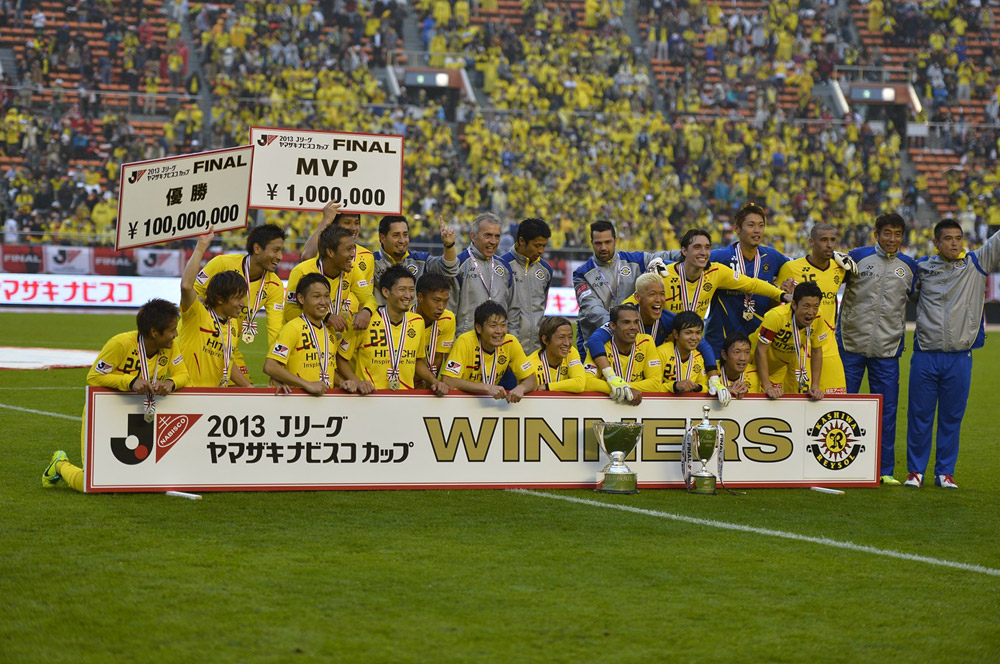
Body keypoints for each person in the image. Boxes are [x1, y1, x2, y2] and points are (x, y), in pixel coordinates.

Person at [43, 299, 190, 492]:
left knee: (134, 478)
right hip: (107, 413)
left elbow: (183, 374)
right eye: (172, 330)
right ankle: (60, 465)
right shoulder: (120, 344)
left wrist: (171, 383)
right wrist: (130, 381)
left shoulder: (170, 347)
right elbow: (94, 376)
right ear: (155, 332)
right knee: (93, 482)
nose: (176, 334)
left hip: (142, 415)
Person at [904, 220, 1000, 489]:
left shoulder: (976, 263)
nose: (955, 243)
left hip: (959, 356)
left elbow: (997, 241)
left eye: (958, 237)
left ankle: (945, 473)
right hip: (925, 354)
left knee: (951, 417)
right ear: (936, 243)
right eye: (948, 238)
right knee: (919, 416)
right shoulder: (921, 267)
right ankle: (915, 472)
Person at [837, 213, 918, 486]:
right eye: (887, 233)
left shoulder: (909, 266)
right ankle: (839, 465)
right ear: (876, 234)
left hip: (887, 350)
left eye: (897, 234)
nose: (892, 239)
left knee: (887, 412)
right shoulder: (857, 257)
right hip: (850, 345)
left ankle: (884, 469)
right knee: (842, 407)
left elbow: (921, 296)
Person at [336, 265, 448, 395]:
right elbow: (341, 357)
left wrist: (434, 381)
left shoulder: (417, 322)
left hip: (404, 397)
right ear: (386, 292)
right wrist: (357, 382)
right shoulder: (365, 320)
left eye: (411, 290)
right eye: (402, 290)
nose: (408, 295)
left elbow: (417, 360)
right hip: (370, 396)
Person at [573, 220, 677, 356]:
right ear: (592, 243)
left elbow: (664, 256)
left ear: (615, 241)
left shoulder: (635, 261)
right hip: (598, 342)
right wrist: (619, 325)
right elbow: (592, 310)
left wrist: (689, 253)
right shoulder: (582, 274)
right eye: (598, 243)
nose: (603, 247)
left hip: (629, 342)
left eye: (608, 242)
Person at [777, 223, 857, 394]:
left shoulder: (840, 268)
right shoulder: (791, 268)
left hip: (829, 345)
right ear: (811, 242)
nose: (829, 244)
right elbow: (775, 302)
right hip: (799, 348)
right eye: (823, 240)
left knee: (836, 400)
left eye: (832, 240)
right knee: (800, 402)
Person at [705, 203, 790, 360]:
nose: (757, 230)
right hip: (720, 343)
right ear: (737, 228)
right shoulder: (720, 257)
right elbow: (690, 262)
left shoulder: (771, 257)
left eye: (761, 226)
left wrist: (786, 283)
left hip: (757, 344)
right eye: (751, 225)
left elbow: (796, 268)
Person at [652, 228, 789, 319]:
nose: (703, 252)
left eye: (707, 247)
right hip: (664, 343)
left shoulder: (716, 272)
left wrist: (782, 295)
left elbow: (752, 284)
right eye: (697, 247)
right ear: (684, 250)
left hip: (694, 342)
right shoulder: (662, 275)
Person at [194, 222, 286, 346]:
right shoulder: (222, 263)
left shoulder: (275, 285)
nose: (280, 257)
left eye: (281, 251)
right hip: (199, 338)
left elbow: (275, 330)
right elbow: (193, 291)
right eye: (275, 250)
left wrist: (277, 355)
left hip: (228, 344)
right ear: (257, 248)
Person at [179, 231, 252, 387]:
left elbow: (228, 361)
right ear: (220, 298)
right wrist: (201, 246)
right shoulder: (197, 314)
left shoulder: (233, 324)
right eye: (238, 298)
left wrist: (248, 388)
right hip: (190, 394)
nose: (242, 304)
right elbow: (186, 286)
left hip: (216, 395)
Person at [284, 225, 376, 341]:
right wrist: (326, 317)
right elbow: (290, 312)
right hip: (304, 339)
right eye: (348, 249)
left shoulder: (352, 269)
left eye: (353, 249)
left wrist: (366, 311)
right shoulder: (302, 271)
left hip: (332, 339)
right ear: (330, 252)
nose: (353, 254)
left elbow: (370, 299)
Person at [264, 273, 350, 395]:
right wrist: (307, 384)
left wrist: (342, 382)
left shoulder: (329, 331)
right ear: (301, 298)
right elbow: (270, 366)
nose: (323, 302)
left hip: (324, 400)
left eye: (326, 296)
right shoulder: (293, 328)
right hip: (298, 400)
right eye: (316, 296)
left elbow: (327, 368)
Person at [440, 300, 536, 402]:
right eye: (493, 326)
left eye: (503, 325)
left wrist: (521, 388)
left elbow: (532, 380)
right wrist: (486, 388)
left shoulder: (510, 342)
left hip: (488, 402)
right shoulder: (464, 341)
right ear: (478, 328)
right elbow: (448, 380)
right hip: (460, 401)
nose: (499, 331)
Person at [750, 281, 826, 401]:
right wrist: (767, 386)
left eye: (815, 306)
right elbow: (760, 350)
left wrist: (815, 386)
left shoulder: (818, 317)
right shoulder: (777, 316)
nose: (811, 312)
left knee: (774, 405)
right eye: (806, 306)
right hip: (753, 365)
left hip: (777, 370)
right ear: (794, 304)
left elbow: (817, 351)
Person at [451, 213, 516, 337]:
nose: (493, 241)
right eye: (488, 235)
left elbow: (512, 309)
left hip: (497, 341)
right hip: (466, 341)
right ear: (473, 236)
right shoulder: (459, 264)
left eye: (497, 236)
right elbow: (449, 310)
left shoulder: (504, 267)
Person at [583, 304, 662, 405]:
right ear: (613, 326)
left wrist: (622, 387)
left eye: (636, 322)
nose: (633, 327)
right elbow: (587, 381)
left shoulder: (646, 342)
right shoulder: (600, 348)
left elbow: (655, 383)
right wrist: (625, 390)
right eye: (626, 322)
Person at [371, 214, 459, 305]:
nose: (402, 240)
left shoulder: (421, 261)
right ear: (382, 238)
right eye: (396, 235)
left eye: (405, 235)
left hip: (414, 314)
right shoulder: (371, 262)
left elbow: (449, 269)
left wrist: (449, 245)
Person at [301, 201, 375, 300]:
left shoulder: (368, 256)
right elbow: (307, 256)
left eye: (357, 223)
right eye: (347, 223)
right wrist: (326, 220)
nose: (353, 228)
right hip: (325, 308)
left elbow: (367, 298)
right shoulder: (326, 252)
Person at [500, 217, 553, 355]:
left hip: (536, 351)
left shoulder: (546, 270)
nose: (541, 250)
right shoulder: (502, 266)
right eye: (537, 245)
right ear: (522, 241)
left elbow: (542, 306)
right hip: (506, 349)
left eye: (544, 245)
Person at [414, 272, 456, 384]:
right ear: (420, 297)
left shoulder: (447, 318)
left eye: (445, 301)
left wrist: (433, 383)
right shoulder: (405, 318)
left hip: (429, 382)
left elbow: (438, 357)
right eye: (436, 300)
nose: (441, 307)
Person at [526, 316, 586, 392]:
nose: (567, 343)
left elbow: (579, 384)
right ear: (545, 340)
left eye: (570, 337)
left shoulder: (571, 352)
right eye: (561, 337)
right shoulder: (530, 365)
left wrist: (547, 387)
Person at [657, 311, 709, 394]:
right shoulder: (661, 352)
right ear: (676, 334)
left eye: (698, 333)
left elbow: (705, 388)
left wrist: (698, 388)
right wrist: (675, 386)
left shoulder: (698, 357)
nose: (694, 338)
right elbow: (653, 386)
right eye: (688, 333)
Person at [718, 333, 762, 399]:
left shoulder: (755, 373)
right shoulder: (711, 370)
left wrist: (747, 392)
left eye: (747, 352)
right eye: (737, 352)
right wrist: (721, 389)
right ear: (724, 355)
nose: (743, 358)